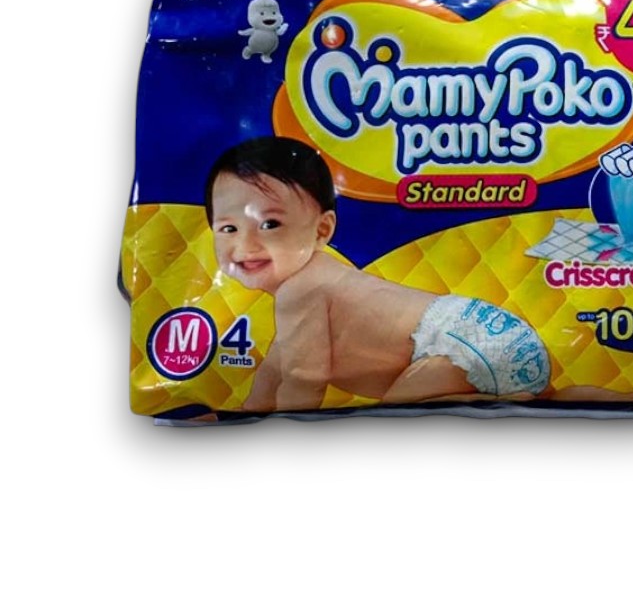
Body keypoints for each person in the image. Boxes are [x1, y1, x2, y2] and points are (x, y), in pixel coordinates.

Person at [205, 137, 551, 412]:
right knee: (552, 395)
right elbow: (272, 372)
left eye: (270, 224)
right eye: (228, 228)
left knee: (395, 411)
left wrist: (282, 431)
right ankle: (549, 396)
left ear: (322, 230)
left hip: (465, 344)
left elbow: (305, 380)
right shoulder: (311, 285)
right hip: (493, 334)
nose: (245, 245)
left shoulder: (301, 291)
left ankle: (503, 401)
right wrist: (247, 411)